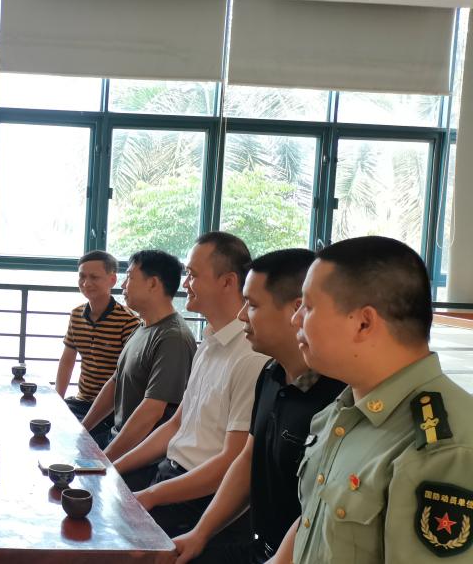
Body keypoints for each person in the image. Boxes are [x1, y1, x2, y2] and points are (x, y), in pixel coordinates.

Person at [270, 236, 473, 564]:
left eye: (308, 307)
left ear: (364, 323)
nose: (296, 320)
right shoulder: (344, 410)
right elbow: (316, 521)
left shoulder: (441, 448)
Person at [172, 249, 345, 563]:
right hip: (259, 547)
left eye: (251, 305)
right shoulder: (270, 374)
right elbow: (248, 458)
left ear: (297, 310)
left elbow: (318, 511)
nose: (241, 316)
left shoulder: (339, 396)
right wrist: (200, 534)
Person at [112, 232, 268, 546]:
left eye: (193, 275)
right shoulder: (209, 342)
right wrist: (112, 468)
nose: (185, 284)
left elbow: (231, 461)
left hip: (200, 500)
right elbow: (176, 425)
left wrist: (151, 495)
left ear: (228, 282)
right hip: (169, 477)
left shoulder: (250, 357)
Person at [81, 250, 196, 455]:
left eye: (130, 277)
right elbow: (115, 382)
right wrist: (82, 431)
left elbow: (151, 412)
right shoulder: (143, 326)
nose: (123, 285)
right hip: (116, 438)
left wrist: (107, 461)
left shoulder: (173, 338)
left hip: (142, 457)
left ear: (152, 283)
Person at [54, 251, 142, 445]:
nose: (86, 283)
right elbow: (67, 360)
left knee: (80, 444)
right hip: (81, 402)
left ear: (112, 280)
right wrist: (57, 399)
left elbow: (127, 376)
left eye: (94, 277)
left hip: (112, 410)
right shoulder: (76, 314)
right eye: (82, 276)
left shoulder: (128, 321)